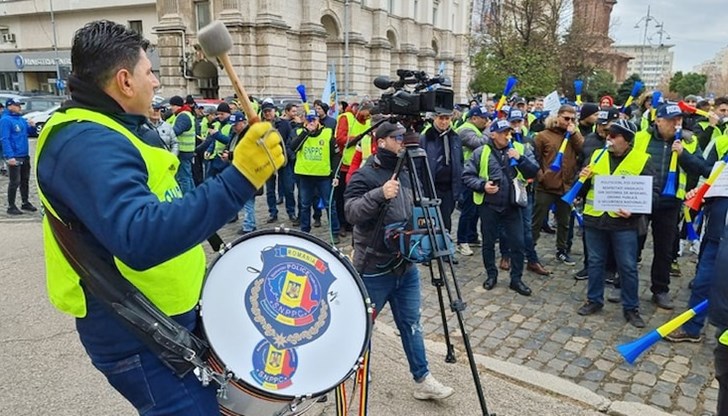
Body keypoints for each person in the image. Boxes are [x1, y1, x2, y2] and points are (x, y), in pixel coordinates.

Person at [35, 20, 284, 414]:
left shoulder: (122, 126)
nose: (156, 83)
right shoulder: (85, 142)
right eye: (149, 72)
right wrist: (239, 178)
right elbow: (140, 235)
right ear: (124, 81)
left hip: (168, 317)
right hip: (137, 330)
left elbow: (169, 205)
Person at [345, 121, 454, 401]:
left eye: (404, 137)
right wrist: (379, 194)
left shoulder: (407, 170)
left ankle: (423, 378)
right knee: (362, 323)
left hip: (405, 264)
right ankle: (356, 365)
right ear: (381, 141)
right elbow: (351, 213)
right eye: (397, 137)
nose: (402, 141)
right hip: (373, 265)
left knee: (411, 322)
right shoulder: (365, 174)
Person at [576, 120, 656, 328]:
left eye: (614, 136)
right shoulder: (596, 155)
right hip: (595, 219)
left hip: (624, 223)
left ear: (627, 140)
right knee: (595, 262)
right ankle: (594, 300)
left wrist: (635, 211)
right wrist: (582, 179)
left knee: (627, 266)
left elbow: (651, 195)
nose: (608, 139)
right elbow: (583, 190)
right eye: (608, 135)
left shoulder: (642, 160)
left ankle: (631, 308)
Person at [633, 103, 710, 309]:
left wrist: (684, 154)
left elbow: (704, 169)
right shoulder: (640, 137)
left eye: (679, 120)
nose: (677, 123)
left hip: (670, 203)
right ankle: (623, 283)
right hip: (641, 200)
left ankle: (660, 289)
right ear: (658, 120)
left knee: (665, 249)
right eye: (671, 120)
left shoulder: (690, 142)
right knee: (633, 243)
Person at [462, 119, 539, 296]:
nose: (507, 135)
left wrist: (519, 159)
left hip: (513, 205)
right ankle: (491, 275)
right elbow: (467, 176)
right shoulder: (481, 152)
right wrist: (482, 186)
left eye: (509, 132)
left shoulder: (520, 149)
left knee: (518, 243)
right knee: (488, 243)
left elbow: (534, 170)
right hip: (489, 206)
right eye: (503, 132)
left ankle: (516, 279)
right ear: (493, 134)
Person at [531, 105, 585, 265]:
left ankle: (562, 250)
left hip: (566, 186)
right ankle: (530, 248)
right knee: (537, 220)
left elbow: (583, 149)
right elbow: (535, 158)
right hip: (546, 186)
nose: (569, 122)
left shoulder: (574, 135)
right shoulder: (542, 136)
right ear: (558, 117)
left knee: (565, 221)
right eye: (566, 118)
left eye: (573, 119)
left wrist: (574, 133)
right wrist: (541, 176)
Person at [290, 110, 340, 242]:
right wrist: (306, 132)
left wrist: (336, 175)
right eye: (309, 120)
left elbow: (335, 156)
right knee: (305, 204)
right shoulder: (300, 132)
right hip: (305, 175)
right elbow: (293, 148)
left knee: (330, 205)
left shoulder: (327, 133)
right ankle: (305, 231)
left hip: (323, 176)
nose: (311, 123)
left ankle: (334, 231)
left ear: (319, 121)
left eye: (314, 120)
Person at [2, 97, 37, 215]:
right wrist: (9, 156)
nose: (19, 107)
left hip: (24, 154)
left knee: (25, 180)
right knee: (14, 181)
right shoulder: (5, 120)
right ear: (10, 106)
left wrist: (32, 126)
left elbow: (29, 133)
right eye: (17, 105)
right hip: (15, 156)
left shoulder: (21, 119)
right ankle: (11, 206)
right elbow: (4, 138)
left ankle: (25, 202)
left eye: (19, 105)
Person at [166, 95, 196, 194]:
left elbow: (176, 131)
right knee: (188, 176)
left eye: (172, 106)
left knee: (183, 178)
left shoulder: (183, 116)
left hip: (183, 151)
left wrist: (166, 133)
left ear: (178, 106)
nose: (171, 108)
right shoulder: (184, 114)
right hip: (187, 150)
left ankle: (187, 200)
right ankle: (193, 197)